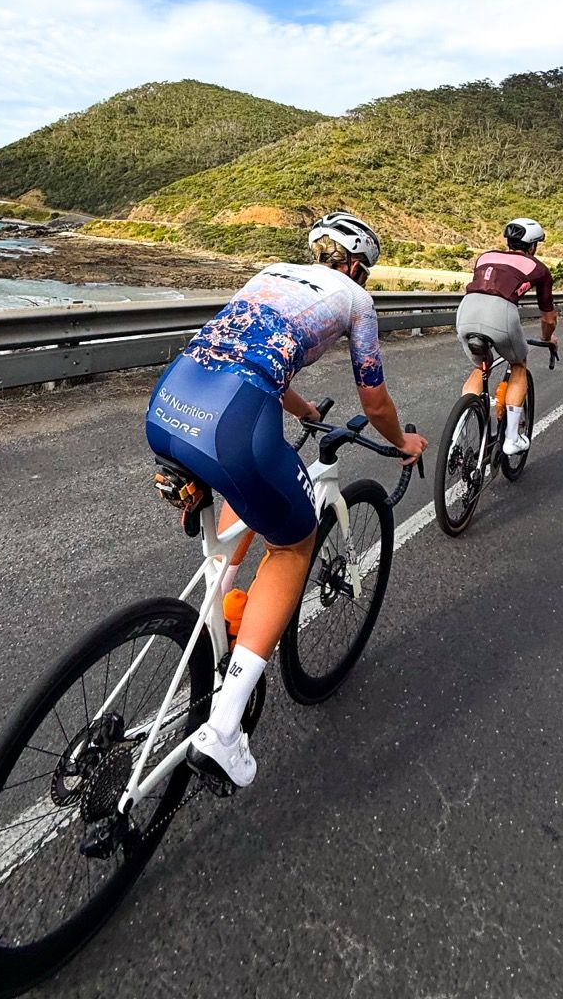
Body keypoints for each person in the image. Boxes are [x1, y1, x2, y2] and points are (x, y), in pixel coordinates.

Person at [145, 212, 428, 792]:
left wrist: (303, 410)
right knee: (294, 543)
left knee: (249, 493)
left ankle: (218, 614)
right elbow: (373, 399)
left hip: (171, 402)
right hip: (233, 424)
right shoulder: (356, 299)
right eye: (366, 269)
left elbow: (249, 351)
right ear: (357, 264)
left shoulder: (271, 273)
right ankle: (224, 730)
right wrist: (403, 442)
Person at [456, 218, 558, 455]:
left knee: (481, 365)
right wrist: (547, 338)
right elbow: (549, 319)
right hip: (501, 312)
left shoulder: (485, 257)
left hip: (466, 310)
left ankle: (459, 431)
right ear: (533, 246)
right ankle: (512, 438)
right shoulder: (539, 269)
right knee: (519, 364)